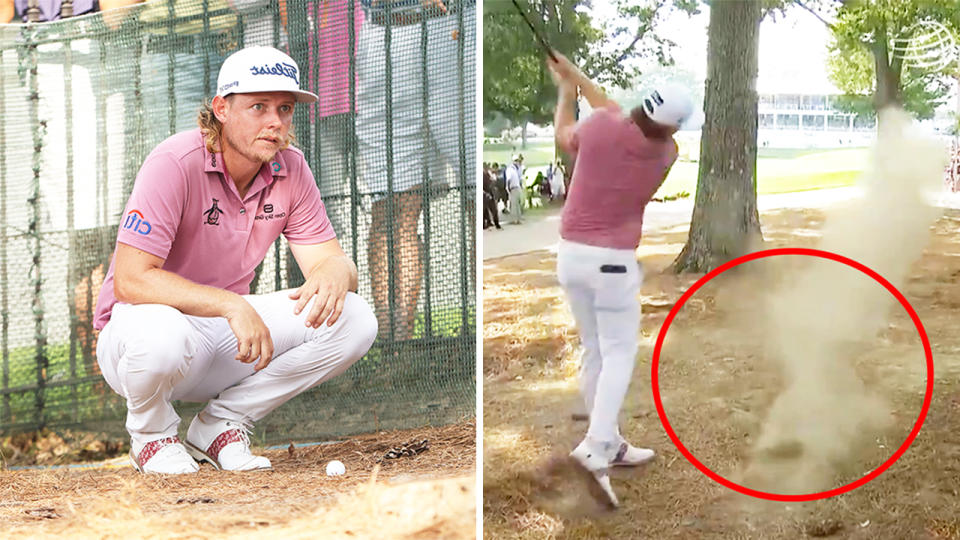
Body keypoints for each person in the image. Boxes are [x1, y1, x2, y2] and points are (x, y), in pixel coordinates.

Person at [92, 46, 378, 475]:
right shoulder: (174, 161)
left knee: (355, 319)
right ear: (221, 109)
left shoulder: (292, 168)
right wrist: (231, 304)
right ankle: (151, 437)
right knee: (161, 333)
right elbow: (131, 283)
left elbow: (330, 263)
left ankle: (222, 424)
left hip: (223, 339)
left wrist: (338, 269)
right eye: (258, 106)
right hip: (139, 339)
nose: (275, 122)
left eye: (285, 109)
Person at [548, 51, 693, 508]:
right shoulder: (667, 152)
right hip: (613, 264)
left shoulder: (602, 127)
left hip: (570, 257)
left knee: (595, 349)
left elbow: (566, 132)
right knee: (618, 352)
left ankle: (607, 440)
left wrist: (566, 90)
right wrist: (579, 79)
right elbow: (613, 112)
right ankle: (596, 447)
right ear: (672, 126)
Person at [357, 0, 476, 341]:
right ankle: (397, 346)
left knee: (474, 195)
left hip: (455, 26)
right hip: (384, 30)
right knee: (392, 207)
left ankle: (476, 342)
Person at [505, 153, 524, 224]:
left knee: (514, 205)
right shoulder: (513, 169)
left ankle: (515, 220)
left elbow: (508, 179)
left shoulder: (512, 169)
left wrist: (508, 187)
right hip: (515, 187)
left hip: (514, 188)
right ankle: (517, 219)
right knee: (516, 205)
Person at [482, 163, 501, 230]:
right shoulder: (482, 175)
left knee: (494, 210)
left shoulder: (488, 174)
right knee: (484, 211)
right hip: (485, 194)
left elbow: (491, 183)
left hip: (490, 194)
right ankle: (484, 225)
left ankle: (496, 224)